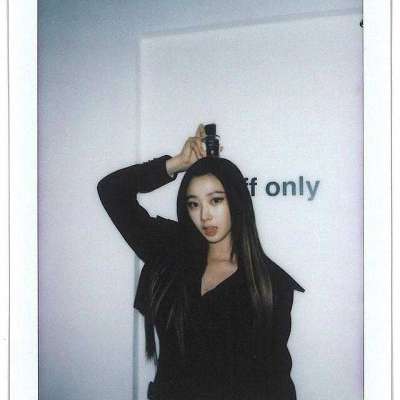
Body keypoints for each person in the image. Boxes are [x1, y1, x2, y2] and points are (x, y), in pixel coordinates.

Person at [97, 124, 305, 400]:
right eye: (194, 204)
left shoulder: (268, 283)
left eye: (215, 201)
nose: (204, 215)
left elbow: (275, 386)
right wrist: (176, 164)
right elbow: (111, 190)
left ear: (236, 202)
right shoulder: (171, 251)